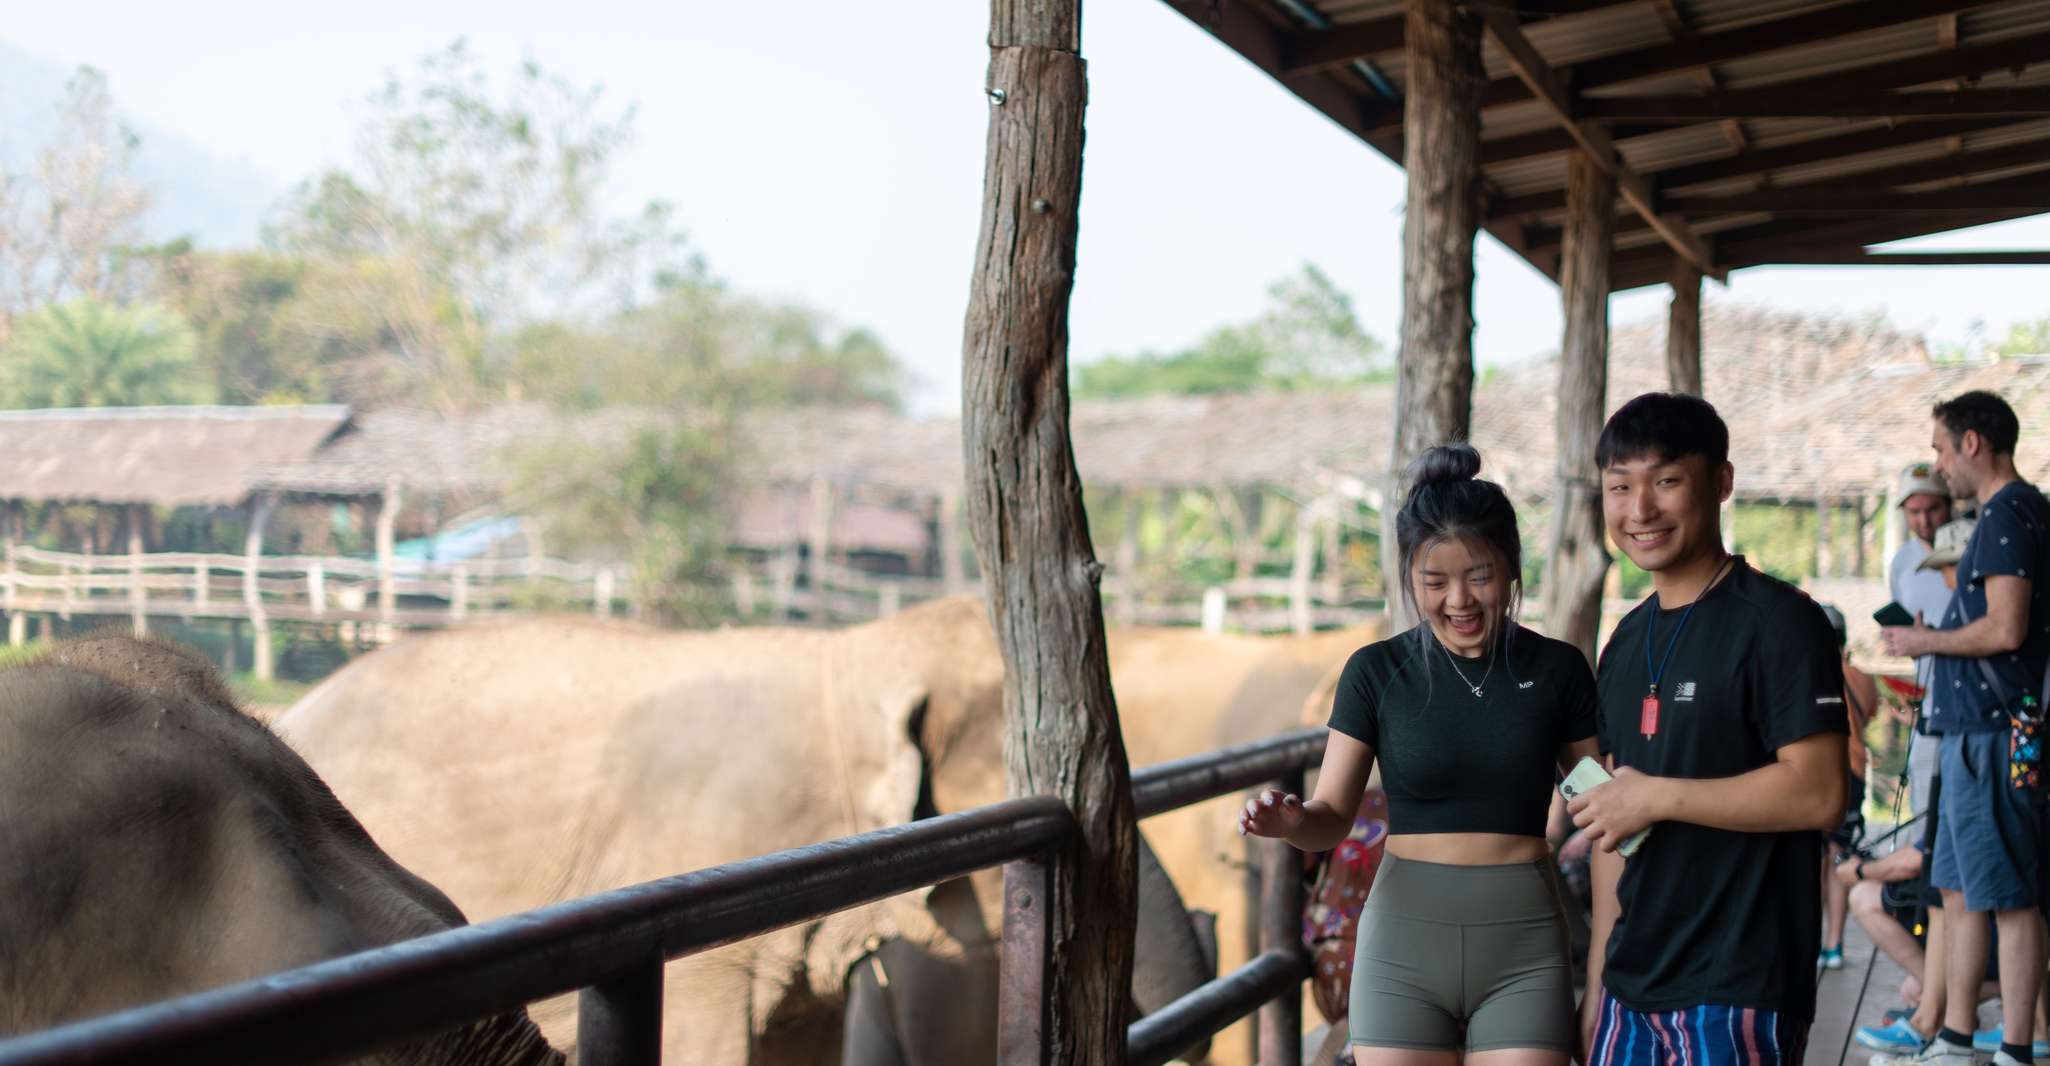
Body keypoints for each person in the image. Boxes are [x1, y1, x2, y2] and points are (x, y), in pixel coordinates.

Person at [1240, 443, 1601, 1066]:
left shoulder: (1557, 670)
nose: (1459, 600)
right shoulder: (1376, 672)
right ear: (1410, 578)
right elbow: (1331, 817)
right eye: (1435, 583)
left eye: (1480, 576)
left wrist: (1643, 810)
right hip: (1402, 947)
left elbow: (1596, 796)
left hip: (1523, 946)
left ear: (1512, 568)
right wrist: (1292, 822)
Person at [1570, 392, 1847, 1066]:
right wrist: (1597, 983)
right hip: (1629, 987)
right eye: (1620, 487)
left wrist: (1657, 796)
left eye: (1666, 481)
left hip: (1739, 986)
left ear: (1720, 481)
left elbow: (1819, 793)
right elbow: (1612, 824)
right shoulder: (1624, 641)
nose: (1640, 509)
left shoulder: (1781, 623)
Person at [1883, 390, 2050, 1066]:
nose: (1940, 464)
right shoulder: (2005, 514)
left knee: (2008, 896)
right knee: (1958, 889)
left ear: (1972, 443)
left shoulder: (2008, 512)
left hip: (1990, 730)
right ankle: (1954, 1036)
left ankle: (2016, 1045)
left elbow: (2006, 628)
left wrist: (1926, 641)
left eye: (1941, 449)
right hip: (1967, 732)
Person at [1859, 519, 1981, 1057]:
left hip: (1975, 757)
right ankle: (1942, 1013)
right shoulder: (1962, 618)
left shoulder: (1978, 622)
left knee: (1952, 886)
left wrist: (1860, 870)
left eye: (1951, 569)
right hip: (1957, 748)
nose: (1946, 580)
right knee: (1947, 889)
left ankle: (1947, 1021)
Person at [1819, 602, 1882, 971]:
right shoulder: (1862, 678)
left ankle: (1810, 941)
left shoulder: (1813, 672)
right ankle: (1834, 944)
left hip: (1819, 772)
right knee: (1838, 857)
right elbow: (1870, 712)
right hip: (1854, 772)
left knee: (1812, 859)